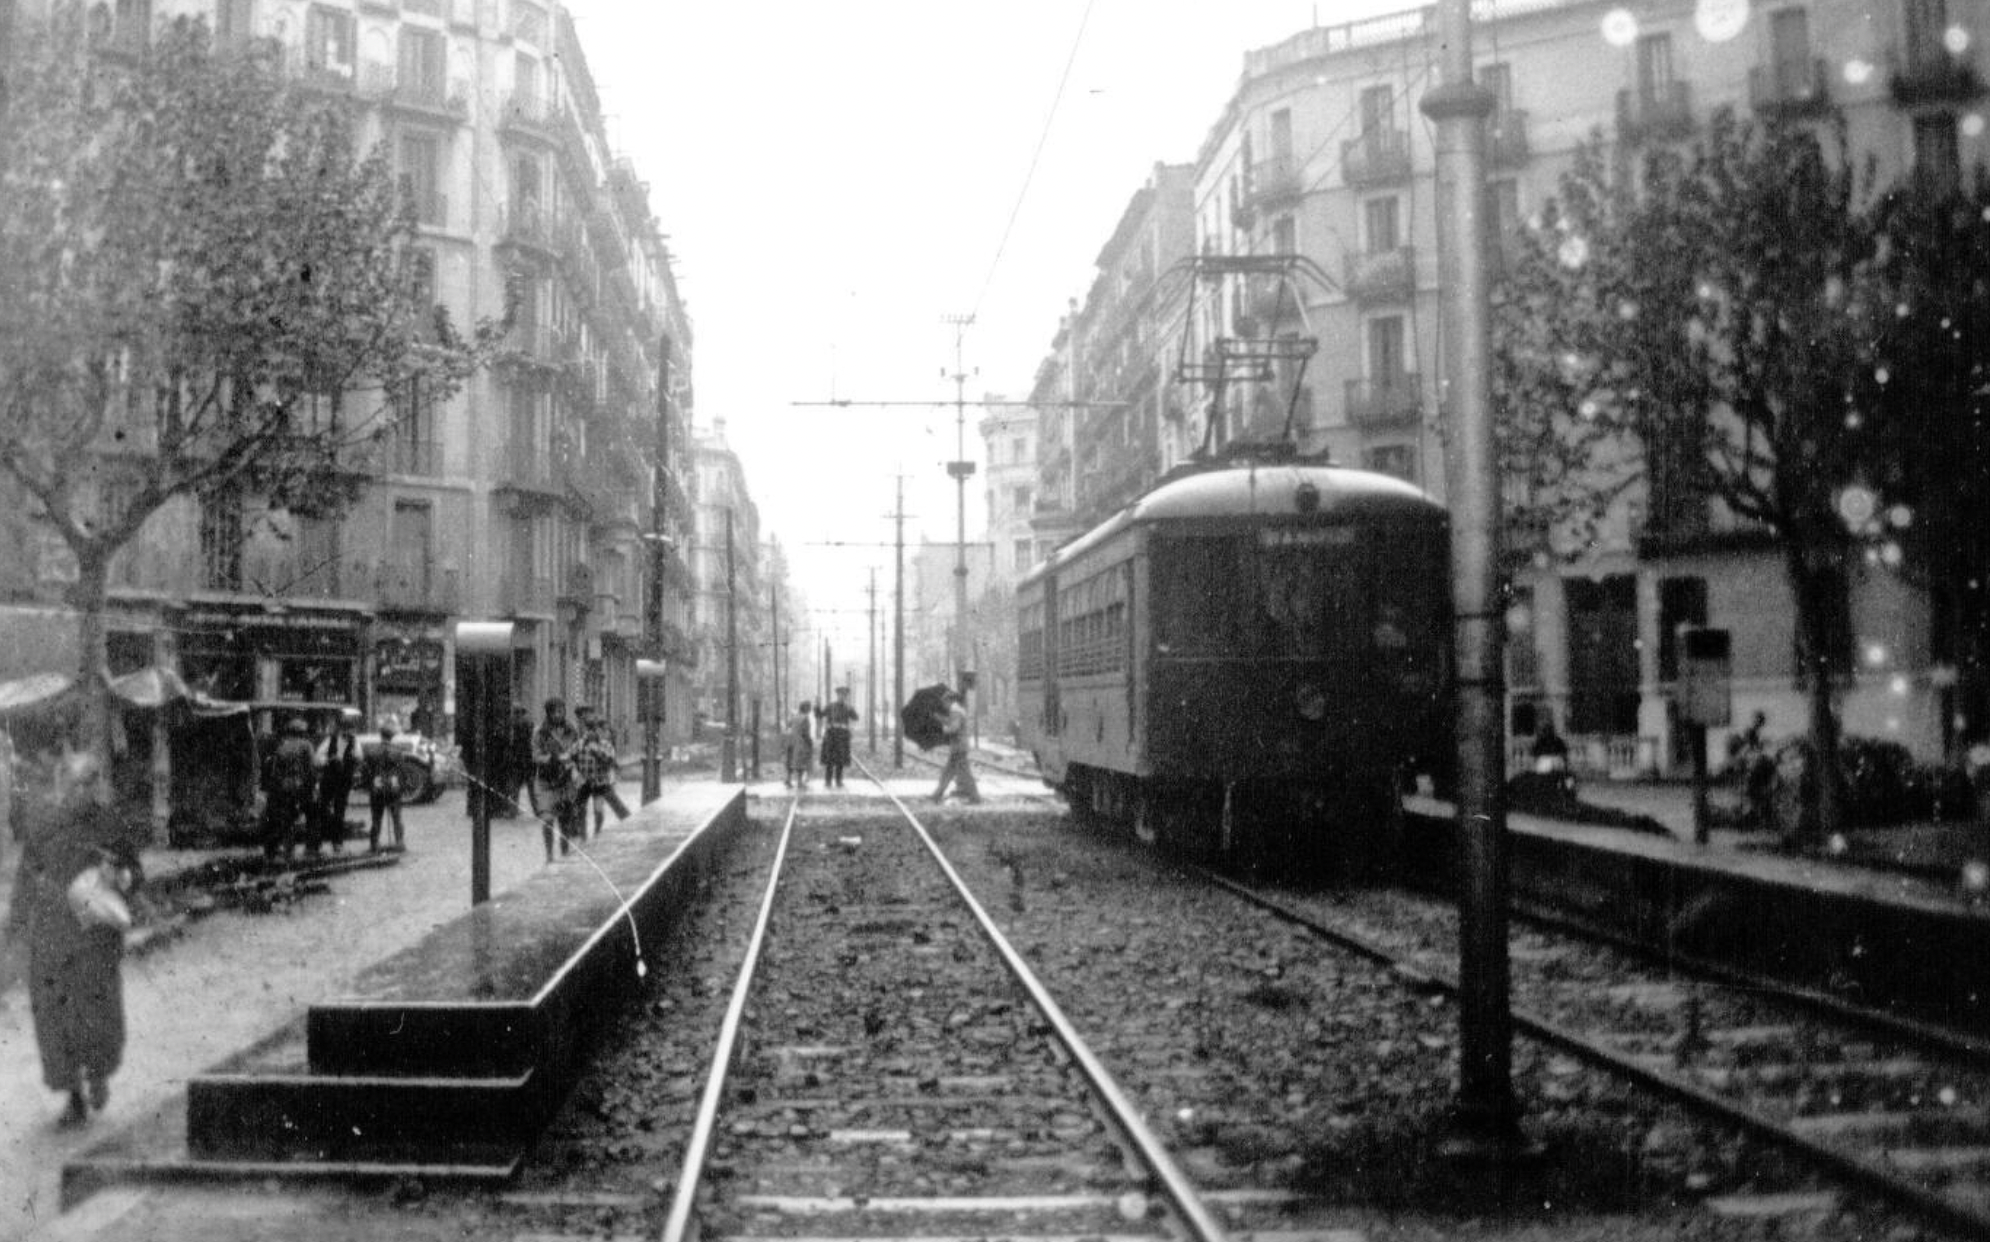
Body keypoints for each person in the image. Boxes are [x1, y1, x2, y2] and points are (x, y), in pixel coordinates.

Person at [6, 746, 145, 1127]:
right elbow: (26, 875)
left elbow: (135, 873)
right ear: (64, 784)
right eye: (76, 782)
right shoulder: (45, 823)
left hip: (95, 937)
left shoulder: (110, 825)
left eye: (90, 781)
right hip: (53, 932)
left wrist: (123, 877)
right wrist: (15, 927)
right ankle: (71, 1094)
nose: (83, 789)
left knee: (96, 1013)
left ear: (97, 784)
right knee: (53, 1014)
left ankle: (97, 1074)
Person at [532, 698, 583, 862]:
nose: (559, 714)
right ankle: (549, 855)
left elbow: (577, 750)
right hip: (546, 781)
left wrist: (571, 760)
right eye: (555, 711)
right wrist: (550, 758)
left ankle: (565, 850)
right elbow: (536, 756)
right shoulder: (540, 732)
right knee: (547, 819)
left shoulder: (571, 730)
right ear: (549, 713)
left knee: (565, 820)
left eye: (562, 711)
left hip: (565, 782)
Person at [262, 718, 318, 861]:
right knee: (312, 816)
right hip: (302, 787)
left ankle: (285, 852)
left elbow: (275, 772)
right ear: (301, 732)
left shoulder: (282, 746)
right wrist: (313, 787)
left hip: (284, 788)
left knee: (287, 821)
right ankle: (310, 849)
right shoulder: (306, 745)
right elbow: (311, 768)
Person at [573, 705, 629, 837]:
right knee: (579, 805)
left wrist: (610, 761)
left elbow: (608, 743)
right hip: (584, 773)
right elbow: (574, 750)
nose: (584, 717)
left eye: (586, 714)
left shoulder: (598, 725)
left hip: (600, 772)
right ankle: (580, 833)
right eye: (581, 715)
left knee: (607, 800)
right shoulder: (577, 729)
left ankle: (626, 820)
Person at [310, 710, 361, 855]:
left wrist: (353, 758)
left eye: (350, 730)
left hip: (344, 781)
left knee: (340, 812)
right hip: (329, 780)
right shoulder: (330, 740)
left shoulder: (354, 741)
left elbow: (359, 757)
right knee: (322, 810)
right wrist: (329, 760)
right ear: (340, 729)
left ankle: (337, 843)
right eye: (346, 729)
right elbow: (318, 758)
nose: (348, 732)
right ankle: (316, 844)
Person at [360, 723, 408, 853]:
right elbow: (403, 772)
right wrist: (402, 788)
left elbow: (365, 772)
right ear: (392, 737)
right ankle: (399, 841)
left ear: (380, 736)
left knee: (376, 818)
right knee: (397, 817)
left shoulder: (371, 751)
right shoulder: (398, 752)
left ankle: (374, 843)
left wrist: (368, 786)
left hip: (377, 787)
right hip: (393, 788)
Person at [930, 688, 981, 804]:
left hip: (959, 747)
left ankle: (975, 798)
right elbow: (951, 721)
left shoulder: (955, 711)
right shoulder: (957, 711)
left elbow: (954, 728)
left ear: (950, 701)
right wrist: (938, 718)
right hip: (958, 747)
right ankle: (936, 795)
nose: (944, 705)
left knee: (965, 775)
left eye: (944, 702)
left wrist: (941, 730)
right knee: (947, 773)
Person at [818, 685, 858, 789]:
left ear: (846, 696)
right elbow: (820, 715)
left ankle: (839, 781)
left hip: (842, 736)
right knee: (830, 759)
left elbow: (856, 717)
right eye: (841, 694)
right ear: (837, 695)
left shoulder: (848, 707)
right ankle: (828, 781)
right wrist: (816, 706)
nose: (842, 697)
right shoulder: (830, 706)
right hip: (831, 735)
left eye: (845, 695)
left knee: (840, 759)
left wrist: (852, 709)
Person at [501, 705, 536, 819]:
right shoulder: (529, 723)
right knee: (532, 788)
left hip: (517, 759)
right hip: (528, 759)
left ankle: (512, 811)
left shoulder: (513, 724)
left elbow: (510, 742)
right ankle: (538, 811)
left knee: (514, 787)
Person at [783, 701, 814, 789]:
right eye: (809, 708)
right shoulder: (805, 718)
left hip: (790, 741)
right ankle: (800, 782)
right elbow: (805, 733)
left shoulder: (794, 716)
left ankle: (788, 779)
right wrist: (810, 742)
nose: (810, 710)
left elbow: (788, 726)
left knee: (790, 761)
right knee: (801, 762)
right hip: (801, 742)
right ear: (806, 708)